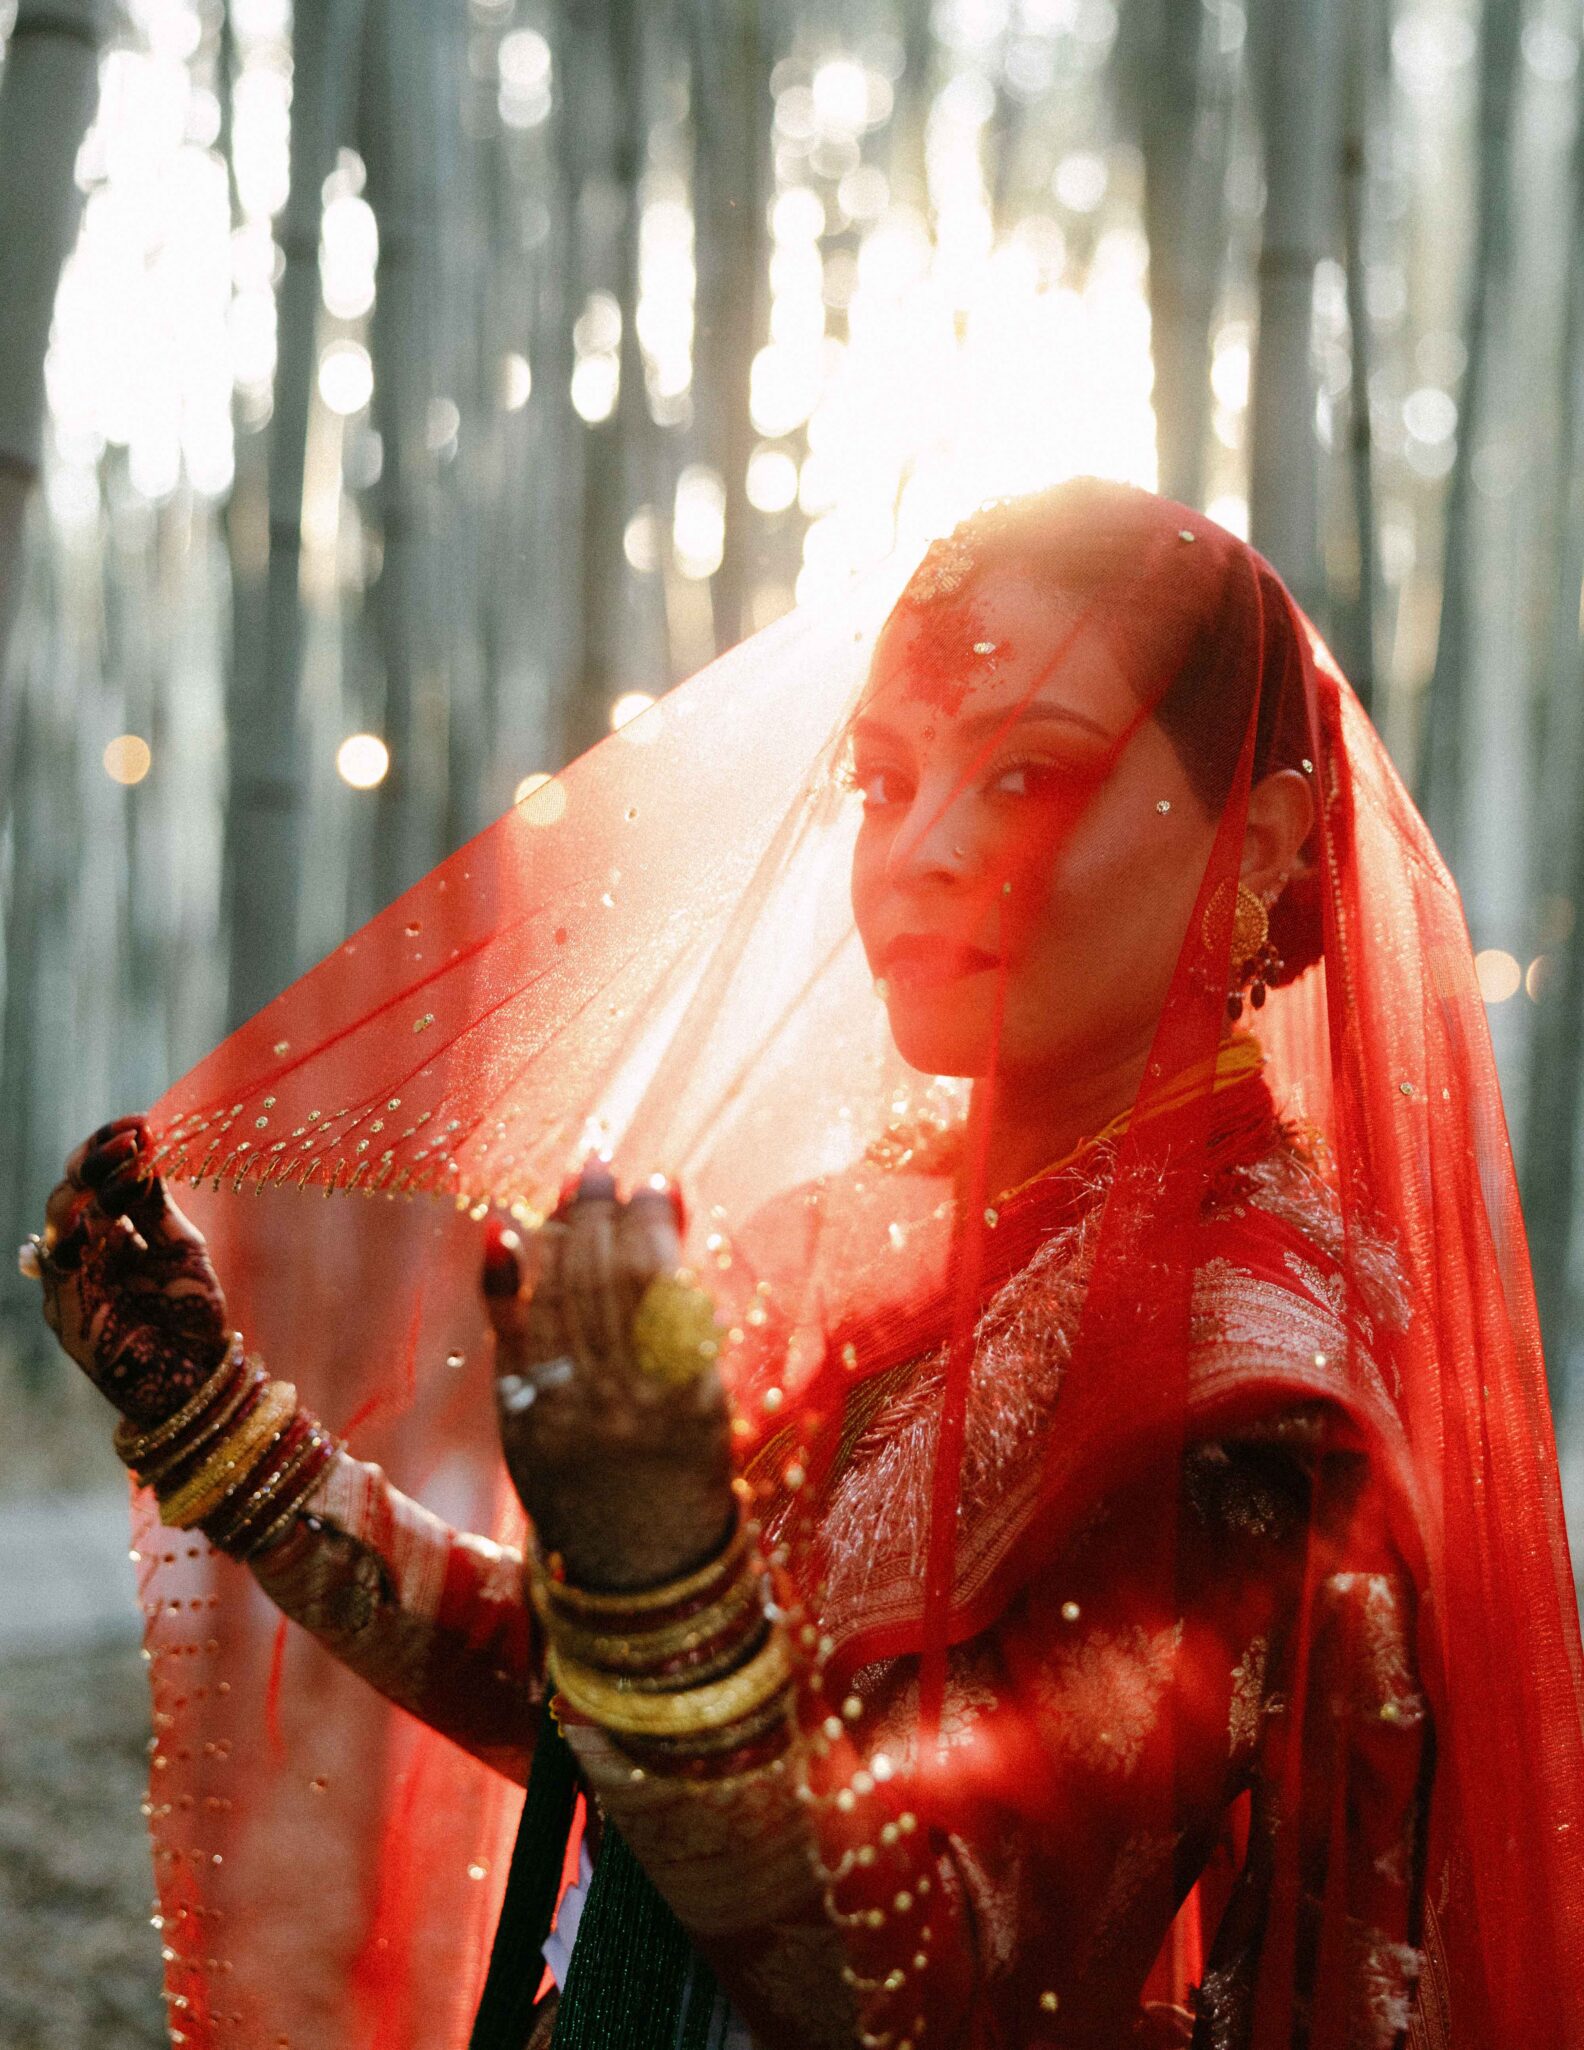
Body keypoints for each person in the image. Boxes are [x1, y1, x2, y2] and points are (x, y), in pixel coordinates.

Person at [24, 481, 1584, 2050]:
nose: (920, 851)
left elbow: (934, 1977)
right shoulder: (899, 1236)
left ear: (1259, 836)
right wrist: (236, 1440)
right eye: (885, 779)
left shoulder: (1239, 1373)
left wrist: (663, 1585)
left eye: (1026, 775)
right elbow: (625, 1714)